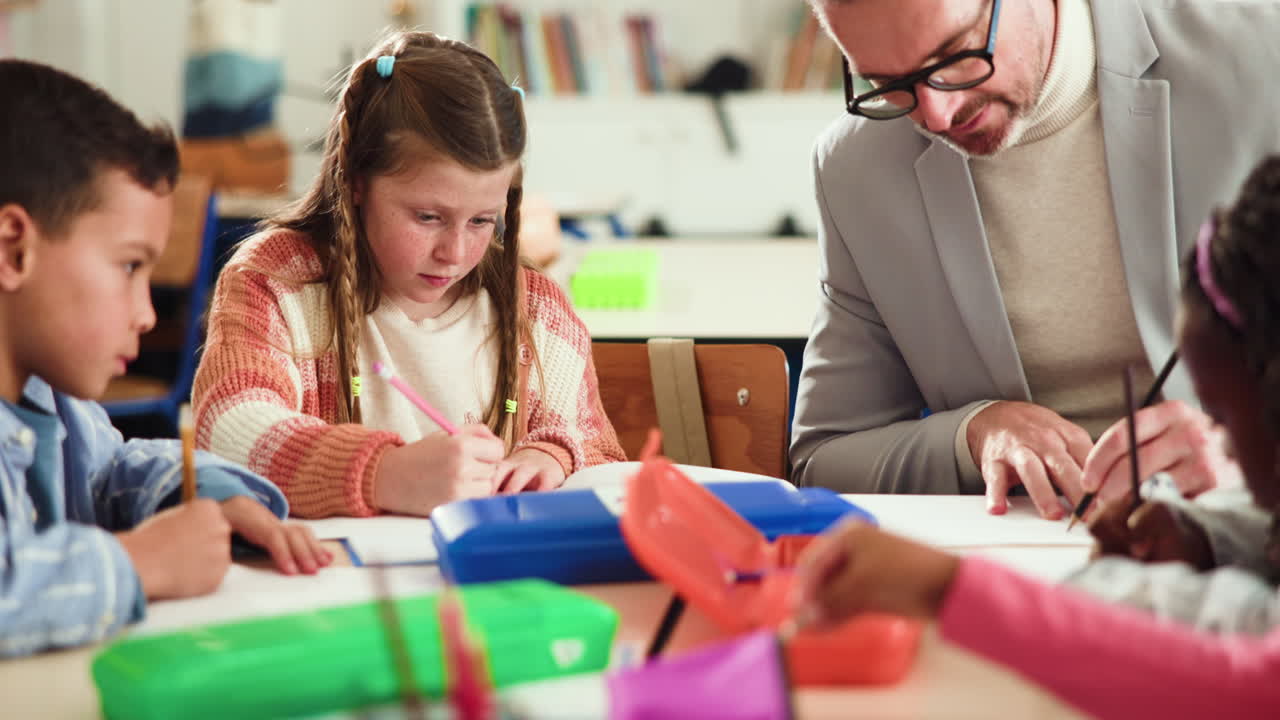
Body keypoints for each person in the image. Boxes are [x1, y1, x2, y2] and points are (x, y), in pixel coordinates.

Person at [788, 156, 1280, 719]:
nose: (1224, 446)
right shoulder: (858, 175)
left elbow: (1251, 680)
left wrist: (949, 588)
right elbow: (821, 450)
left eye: (1219, 415)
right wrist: (1207, 537)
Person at [790, 0, 1280, 518]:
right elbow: (826, 456)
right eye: (886, 82)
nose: (935, 115)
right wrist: (972, 436)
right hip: (1032, 565)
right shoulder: (857, 168)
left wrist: (1249, 459)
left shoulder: (1260, 59)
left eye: (955, 52)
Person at [192, 31, 625, 519]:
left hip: (487, 586)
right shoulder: (277, 281)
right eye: (428, 217)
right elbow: (226, 431)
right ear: (356, 182)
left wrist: (554, 455)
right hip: (333, 583)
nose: (455, 252)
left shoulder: (538, 311)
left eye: (483, 220)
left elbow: (599, 452)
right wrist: (385, 474)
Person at [0, 59, 329, 658]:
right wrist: (138, 563)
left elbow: (107, 472)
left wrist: (210, 494)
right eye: (129, 266)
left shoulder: (53, 399)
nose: (147, 314)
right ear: (14, 251)